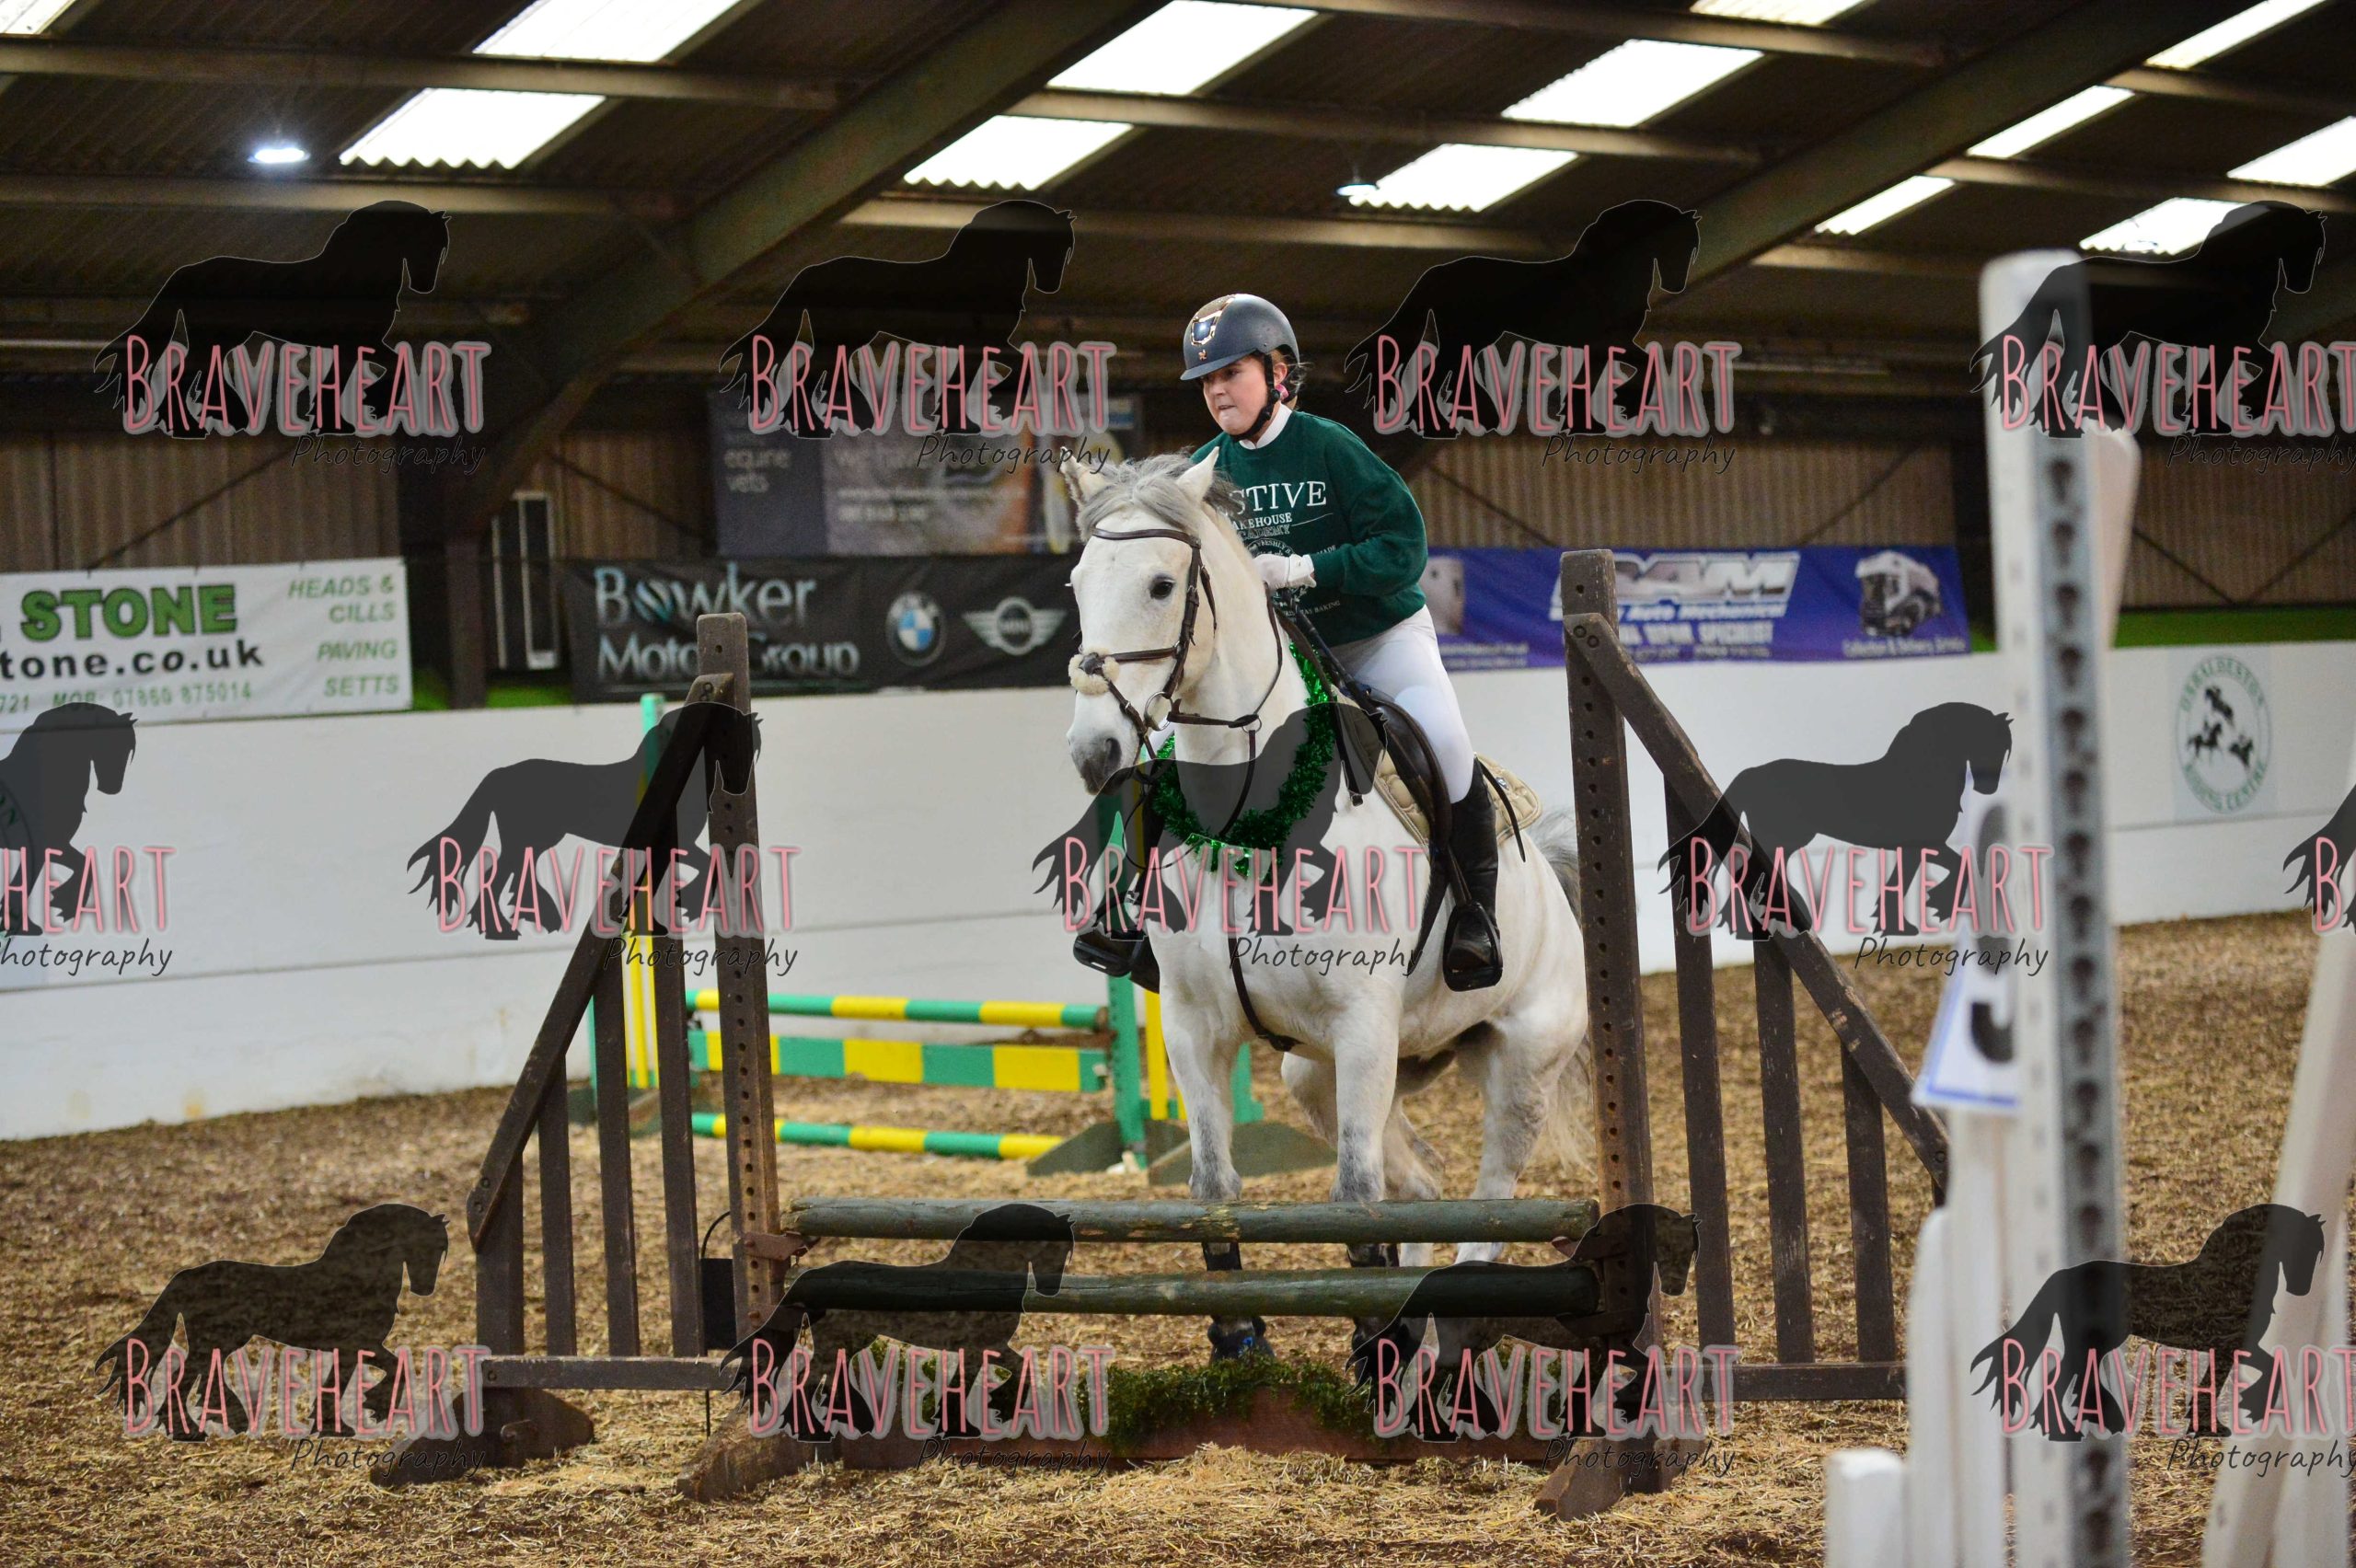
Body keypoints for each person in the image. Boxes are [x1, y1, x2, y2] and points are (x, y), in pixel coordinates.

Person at [1076, 293, 1501, 994]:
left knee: (1445, 740)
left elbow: (1404, 548)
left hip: (1375, 637)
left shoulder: (1329, 446)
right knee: (1164, 753)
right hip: (1285, 658)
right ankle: (1136, 912)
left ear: (1278, 373)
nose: (1217, 391)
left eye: (1231, 373)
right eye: (1206, 381)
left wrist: (1308, 568)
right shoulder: (1201, 472)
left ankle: (1476, 916)